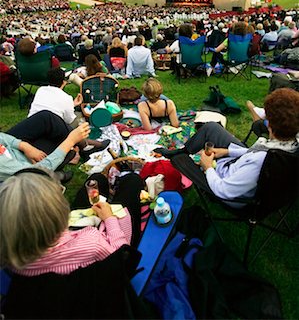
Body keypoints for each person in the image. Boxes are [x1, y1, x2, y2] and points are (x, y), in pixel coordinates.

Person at [155, 88, 299, 202]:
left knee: (179, 160)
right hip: (241, 166)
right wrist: (227, 151)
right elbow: (254, 154)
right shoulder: (290, 145)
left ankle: (180, 155)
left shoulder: (262, 161)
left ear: (270, 125)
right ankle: (184, 150)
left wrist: (207, 167)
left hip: (231, 190)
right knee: (211, 127)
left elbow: (224, 190)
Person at [0, 168, 144, 274]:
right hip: (108, 249)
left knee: (96, 180)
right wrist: (109, 219)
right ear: (61, 213)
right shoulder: (92, 244)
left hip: (69, 237)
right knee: (133, 181)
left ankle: (107, 187)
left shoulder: (14, 261)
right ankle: (125, 181)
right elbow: (122, 257)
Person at [0, 112, 91, 183]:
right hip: (24, 173)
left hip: (15, 153)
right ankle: (56, 175)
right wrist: (70, 141)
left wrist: (25, 146)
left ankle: (83, 145)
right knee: (68, 151)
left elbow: (3, 137)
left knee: (46, 118)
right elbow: (33, 173)